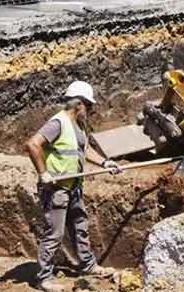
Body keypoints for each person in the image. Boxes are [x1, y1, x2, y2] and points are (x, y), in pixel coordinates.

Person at [25, 81, 120, 291]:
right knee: (55, 233)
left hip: (74, 187)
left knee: (80, 227)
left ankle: (87, 265)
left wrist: (105, 163)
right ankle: (44, 278)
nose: (90, 110)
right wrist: (43, 173)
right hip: (56, 189)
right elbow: (32, 144)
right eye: (89, 106)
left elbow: (84, 151)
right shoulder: (57, 123)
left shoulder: (78, 126)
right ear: (79, 104)